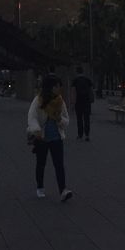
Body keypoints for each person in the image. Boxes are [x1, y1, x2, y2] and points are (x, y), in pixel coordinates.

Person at [26, 73, 73, 201]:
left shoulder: (60, 101)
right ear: (51, 87)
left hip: (56, 137)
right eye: (57, 86)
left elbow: (66, 120)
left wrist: (59, 119)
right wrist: (36, 130)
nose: (59, 89)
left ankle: (63, 190)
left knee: (59, 164)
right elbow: (32, 117)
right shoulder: (38, 100)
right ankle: (40, 187)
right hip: (42, 137)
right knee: (41, 163)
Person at [70, 66, 94, 141]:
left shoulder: (75, 80)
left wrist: (73, 103)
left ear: (77, 72)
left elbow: (73, 92)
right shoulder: (88, 80)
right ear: (83, 72)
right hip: (87, 102)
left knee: (79, 119)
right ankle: (87, 135)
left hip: (78, 102)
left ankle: (80, 135)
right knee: (87, 118)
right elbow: (91, 90)